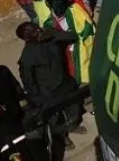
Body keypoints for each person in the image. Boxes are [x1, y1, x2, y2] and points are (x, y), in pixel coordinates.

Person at [16, 22, 81, 161]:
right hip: (49, 92)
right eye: (32, 30)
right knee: (55, 120)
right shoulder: (27, 55)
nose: (38, 29)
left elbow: (73, 36)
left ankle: (73, 125)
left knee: (74, 107)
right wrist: (38, 98)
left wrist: (55, 34)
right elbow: (28, 79)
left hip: (65, 83)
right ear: (26, 38)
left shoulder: (51, 37)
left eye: (36, 27)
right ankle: (63, 139)